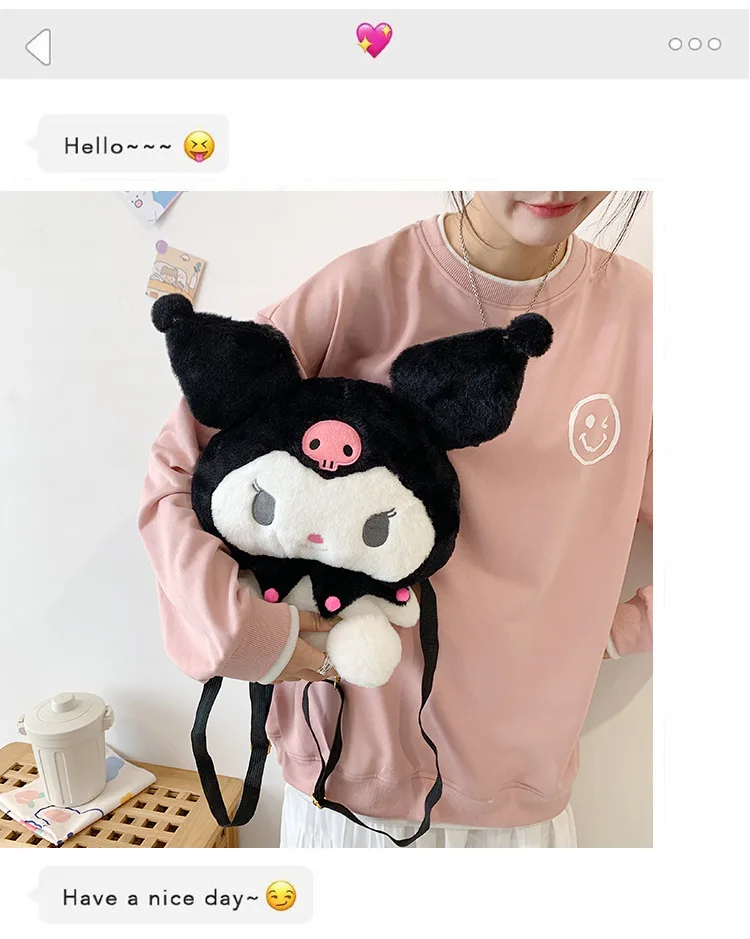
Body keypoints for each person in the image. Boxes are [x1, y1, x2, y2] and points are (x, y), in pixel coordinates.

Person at [138, 191, 652, 849]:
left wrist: (608, 632)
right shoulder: (359, 291)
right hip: (347, 779)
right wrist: (239, 626)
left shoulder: (640, 317)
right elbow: (179, 472)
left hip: (523, 791)